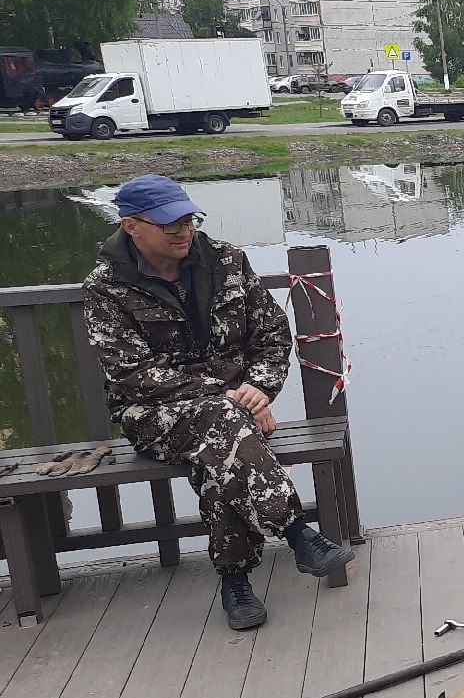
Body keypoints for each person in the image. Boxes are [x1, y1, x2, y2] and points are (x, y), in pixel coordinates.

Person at [83, 175, 355, 631]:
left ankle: (235, 581)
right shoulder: (106, 287)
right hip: (151, 415)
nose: (183, 231)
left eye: (189, 220)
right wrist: (229, 396)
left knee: (217, 452)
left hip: (232, 415)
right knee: (222, 421)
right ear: (131, 226)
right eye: (169, 224)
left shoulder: (227, 260)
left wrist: (259, 388)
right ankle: (296, 532)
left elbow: (272, 335)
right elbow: (132, 375)